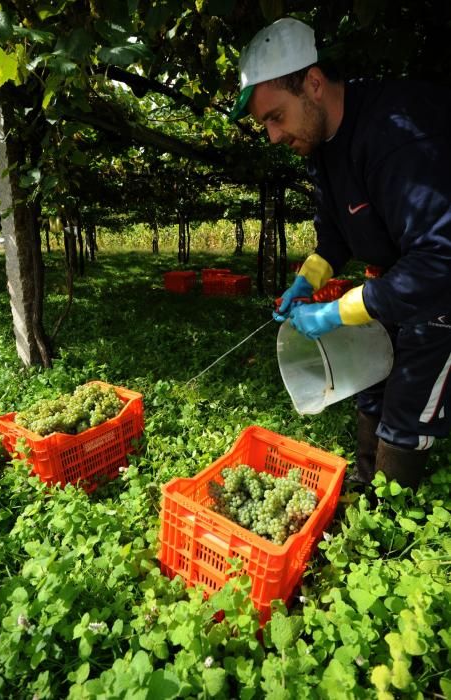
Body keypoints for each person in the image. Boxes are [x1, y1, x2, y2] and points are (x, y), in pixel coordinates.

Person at [230, 17, 451, 489]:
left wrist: (338, 311)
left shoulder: (396, 135)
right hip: (401, 273)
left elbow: (439, 259)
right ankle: (366, 483)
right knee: (372, 381)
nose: (272, 136)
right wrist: (306, 282)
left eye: (275, 116)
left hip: (439, 284)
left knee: (407, 406)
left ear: (312, 83)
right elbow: (336, 234)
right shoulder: (321, 146)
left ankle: (387, 520)